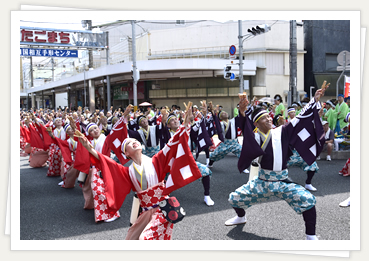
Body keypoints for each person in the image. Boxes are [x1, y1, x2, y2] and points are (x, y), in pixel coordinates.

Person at [78, 105, 202, 240]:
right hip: (146, 212)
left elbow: (171, 144)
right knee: (132, 239)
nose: (134, 142)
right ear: (126, 153)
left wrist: (185, 124)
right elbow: (108, 163)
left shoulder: (156, 160)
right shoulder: (128, 171)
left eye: (135, 141)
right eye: (129, 143)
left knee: (145, 238)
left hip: (162, 209)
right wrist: (90, 150)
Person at [225, 81, 329, 240]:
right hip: (262, 181)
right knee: (235, 197)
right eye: (263, 118)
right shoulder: (255, 136)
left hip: (282, 181)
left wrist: (314, 100)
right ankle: (241, 217)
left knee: (308, 200)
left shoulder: (282, 132)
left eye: (268, 116)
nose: (268, 119)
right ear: (256, 124)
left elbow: (300, 119)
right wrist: (242, 111)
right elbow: (245, 127)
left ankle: (311, 236)